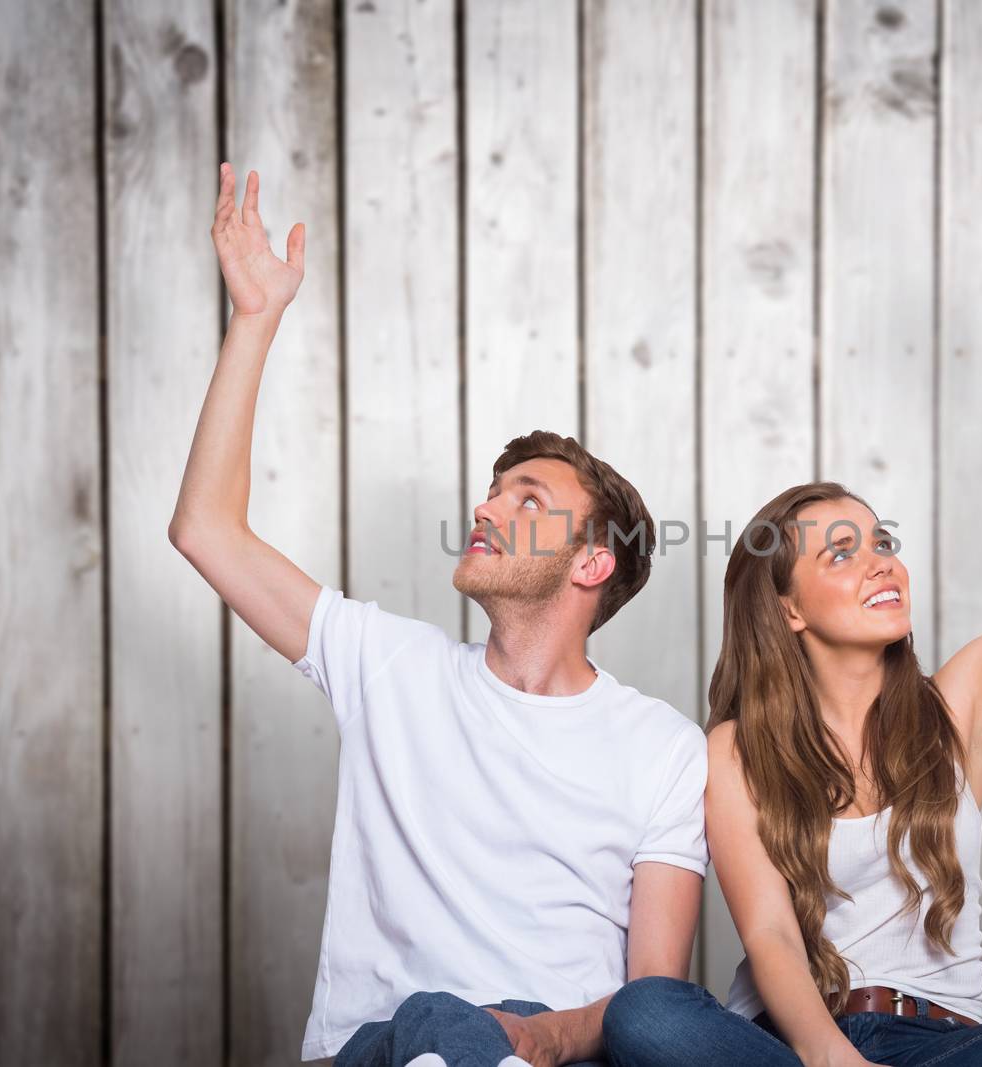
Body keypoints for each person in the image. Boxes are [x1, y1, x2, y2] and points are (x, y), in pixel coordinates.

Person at [170, 163, 707, 1067]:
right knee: (429, 1021)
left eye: (526, 497)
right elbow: (205, 530)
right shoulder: (388, 663)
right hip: (370, 1050)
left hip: (542, 1051)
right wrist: (255, 320)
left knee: (462, 1029)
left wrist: (529, 1036)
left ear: (592, 561)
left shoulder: (663, 747)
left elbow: (650, 1004)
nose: (488, 508)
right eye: (492, 491)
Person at [602, 216, 982, 1067]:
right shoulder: (736, 751)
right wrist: (830, 1058)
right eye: (841, 553)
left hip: (947, 1047)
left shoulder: (961, 705)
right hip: (793, 1045)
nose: (881, 562)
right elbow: (772, 932)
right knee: (649, 1016)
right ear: (788, 611)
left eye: (880, 541)